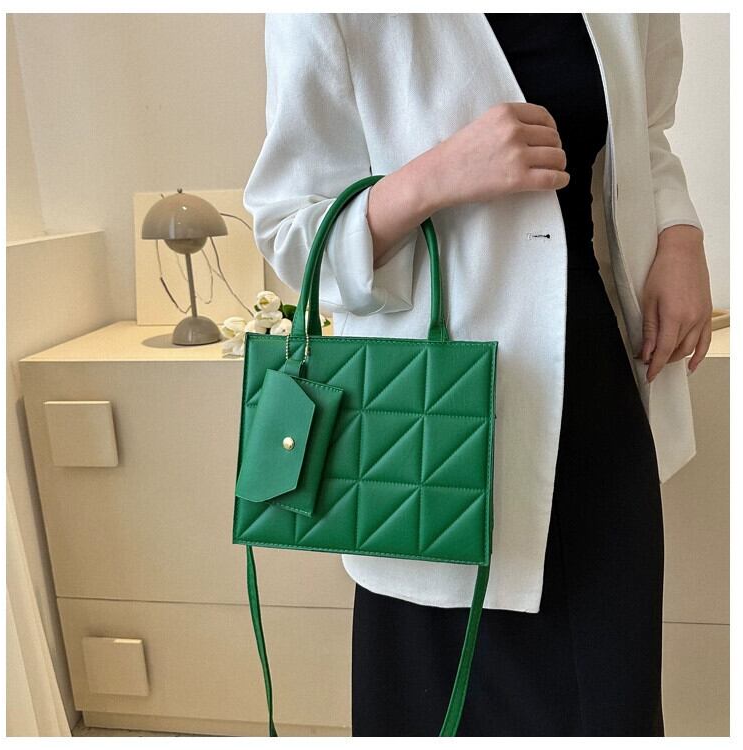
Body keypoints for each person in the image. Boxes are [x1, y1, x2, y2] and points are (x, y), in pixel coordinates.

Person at [243, 12, 713, 737]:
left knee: (609, 699)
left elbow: (646, 134)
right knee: (446, 705)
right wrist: (429, 179)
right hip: (428, 420)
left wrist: (681, 238)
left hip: (597, 393)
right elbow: (290, 234)